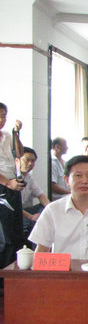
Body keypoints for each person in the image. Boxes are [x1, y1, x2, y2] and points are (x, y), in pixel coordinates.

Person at [0, 103, 25, 266]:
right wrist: (7, 182)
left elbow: (20, 153)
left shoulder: (7, 136)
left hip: (12, 184)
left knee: (17, 230)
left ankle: (14, 269)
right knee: (6, 234)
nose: (1, 120)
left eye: (3, 116)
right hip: (4, 185)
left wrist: (16, 134)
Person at [17, 147, 50, 240]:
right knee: (34, 223)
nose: (30, 163)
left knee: (44, 208)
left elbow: (41, 195)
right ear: (17, 160)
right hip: (13, 212)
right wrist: (31, 217)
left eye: (33, 161)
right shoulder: (11, 176)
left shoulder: (28, 177)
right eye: (27, 160)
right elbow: (13, 206)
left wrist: (51, 210)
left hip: (24, 210)